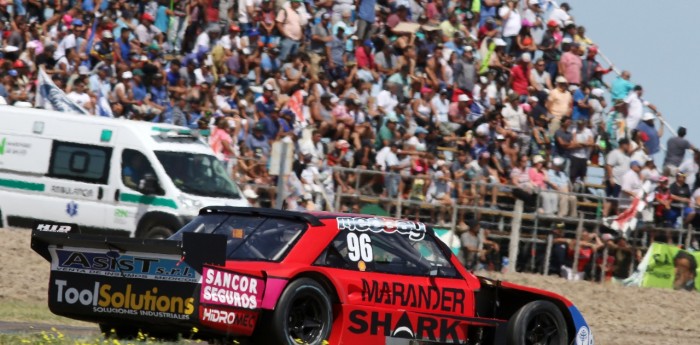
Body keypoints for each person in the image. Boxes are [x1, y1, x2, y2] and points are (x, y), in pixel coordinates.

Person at [604, 138, 632, 216]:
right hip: (614, 181)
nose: (629, 147)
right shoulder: (615, 153)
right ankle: (604, 215)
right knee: (610, 199)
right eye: (628, 145)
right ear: (623, 145)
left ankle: (614, 218)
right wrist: (611, 178)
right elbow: (609, 165)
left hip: (621, 183)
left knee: (616, 201)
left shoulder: (626, 156)